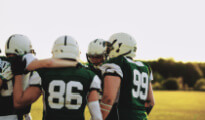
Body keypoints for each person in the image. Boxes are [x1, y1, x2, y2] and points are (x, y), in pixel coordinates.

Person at [12, 35, 103, 120]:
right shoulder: (89, 76)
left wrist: (18, 75)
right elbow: (96, 115)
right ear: (77, 52)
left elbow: (19, 102)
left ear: (54, 51)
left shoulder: (42, 74)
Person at [0, 34, 77, 120]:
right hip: (15, 115)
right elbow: (48, 63)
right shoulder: (24, 60)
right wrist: (74, 64)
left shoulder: (2, 61)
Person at [100, 33, 155, 120]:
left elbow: (108, 99)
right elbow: (150, 102)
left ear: (119, 47)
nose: (108, 49)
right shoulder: (144, 67)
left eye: (111, 47)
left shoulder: (117, 63)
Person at [86, 39, 118, 120]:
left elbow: (108, 99)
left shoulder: (112, 70)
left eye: (98, 57)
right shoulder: (88, 70)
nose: (94, 60)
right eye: (91, 57)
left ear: (107, 55)